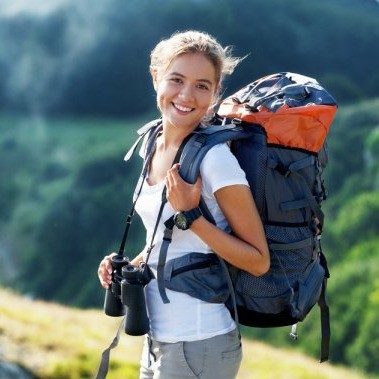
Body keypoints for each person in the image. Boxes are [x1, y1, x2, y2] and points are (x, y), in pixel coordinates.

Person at [98, 30, 270, 379]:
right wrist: (131, 264)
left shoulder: (215, 160)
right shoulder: (152, 143)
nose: (187, 95)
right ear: (155, 77)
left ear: (215, 92)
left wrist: (192, 215)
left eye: (202, 86)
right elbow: (168, 240)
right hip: (159, 338)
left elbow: (258, 261)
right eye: (176, 79)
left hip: (199, 342)